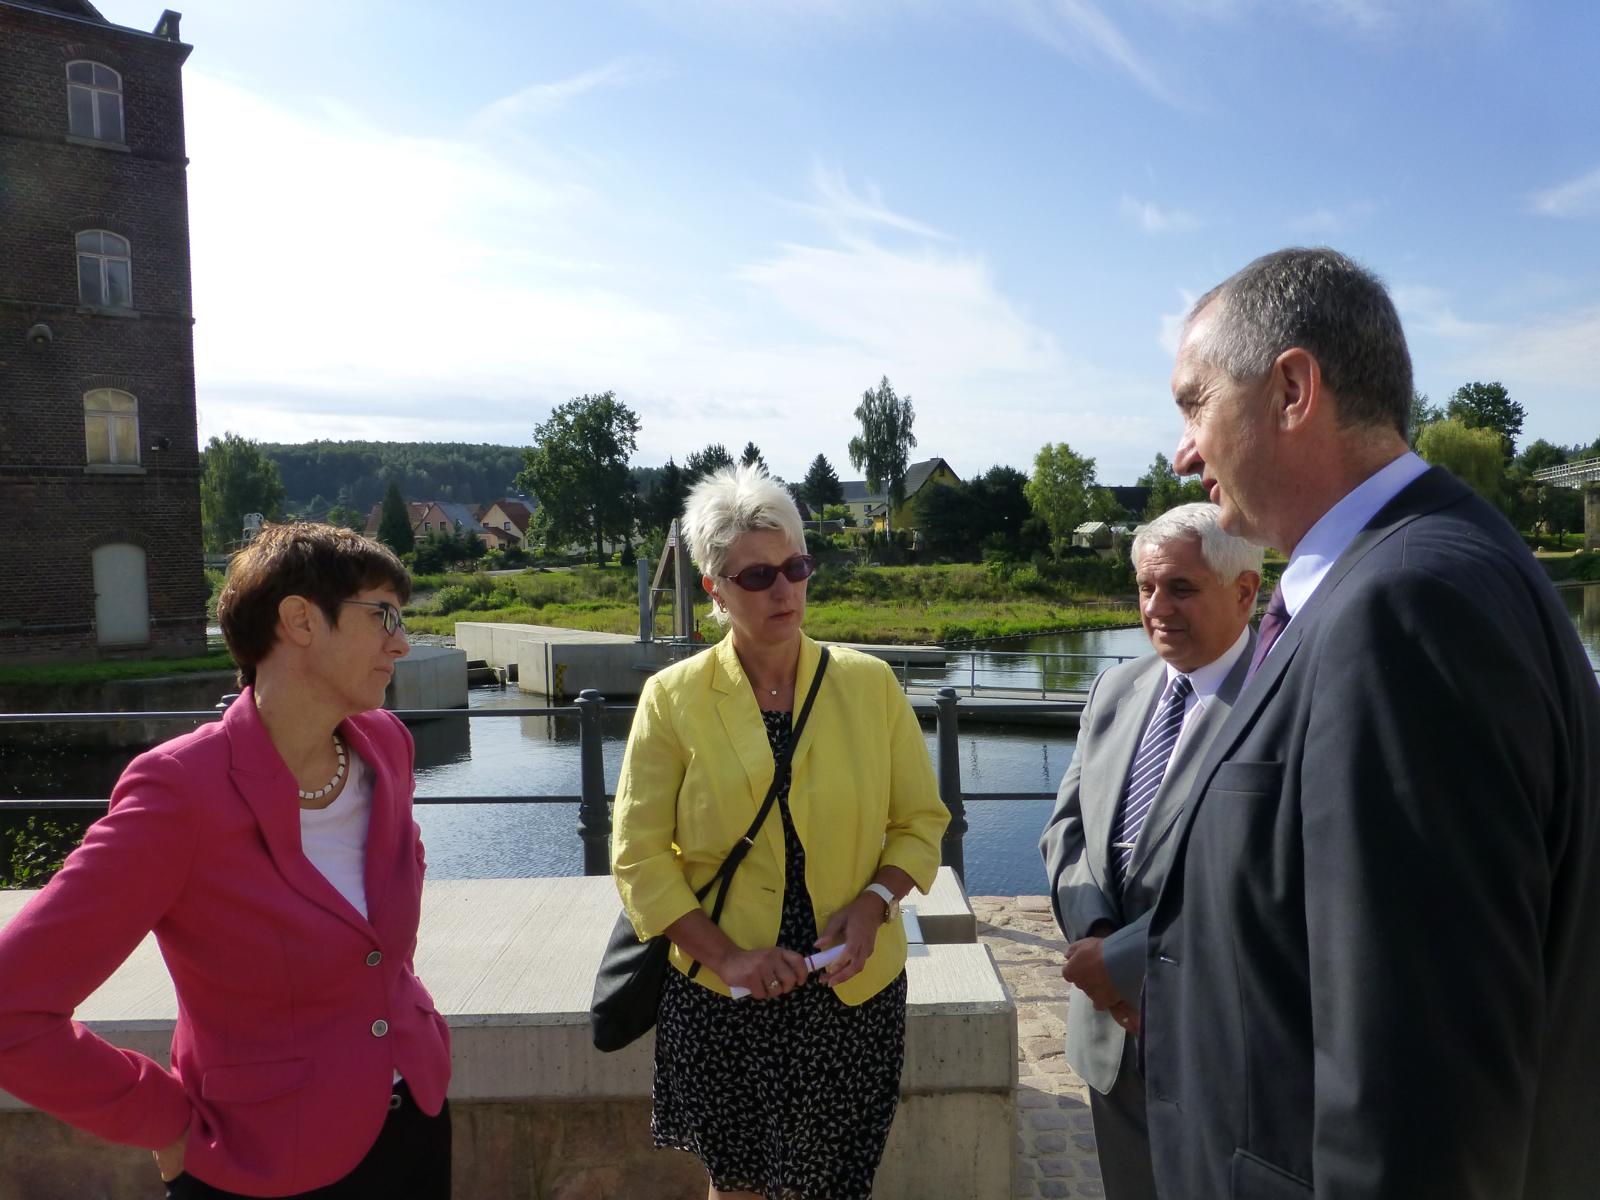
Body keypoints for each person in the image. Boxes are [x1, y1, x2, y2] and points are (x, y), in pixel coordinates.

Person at [1143, 247, 1600, 1198]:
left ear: (1293, 389)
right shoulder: (1418, 570)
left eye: (1194, 403)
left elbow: (1419, 1089)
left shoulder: (1406, 606)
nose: (1183, 450)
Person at [0, 524, 453, 1198]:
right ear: (300, 619)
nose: (402, 640)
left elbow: (377, 943)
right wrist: (166, 1123)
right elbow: (13, 1004)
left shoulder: (385, 747)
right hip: (260, 1160)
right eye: (382, 614)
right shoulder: (181, 792)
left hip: (414, 1124)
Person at [610, 464, 949, 1200]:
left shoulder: (869, 684)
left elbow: (920, 822)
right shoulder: (672, 699)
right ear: (714, 589)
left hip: (849, 986)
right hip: (726, 994)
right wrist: (727, 958)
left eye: (796, 567)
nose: (784, 589)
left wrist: (874, 906)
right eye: (757, 576)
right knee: (739, 1187)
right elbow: (639, 856)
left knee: (838, 1183)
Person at [1039, 501, 1260, 1200]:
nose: (1156, 607)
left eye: (1180, 588)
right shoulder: (1114, 687)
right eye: (1144, 588)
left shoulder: (1281, 700)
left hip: (1224, 1048)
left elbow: (1266, 876)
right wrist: (1099, 941)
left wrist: (1130, 961)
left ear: (1245, 591)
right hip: (1110, 1044)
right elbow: (1066, 829)